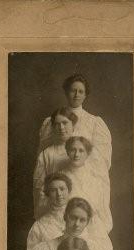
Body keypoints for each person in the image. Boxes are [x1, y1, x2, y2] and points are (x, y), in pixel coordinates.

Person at [38, 74, 112, 230]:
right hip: (57, 179)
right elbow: (44, 152)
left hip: (84, 179)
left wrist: (78, 164)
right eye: (73, 90)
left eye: (80, 91)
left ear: (85, 94)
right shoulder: (52, 122)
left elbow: (102, 159)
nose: (76, 95)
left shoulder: (94, 123)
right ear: (66, 92)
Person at [33, 107, 77, 217]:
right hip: (54, 207)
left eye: (65, 123)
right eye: (57, 124)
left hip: (77, 207)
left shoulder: (81, 150)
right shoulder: (46, 154)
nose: (61, 128)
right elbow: (39, 187)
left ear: (73, 125)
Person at [63, 136, 112, 233]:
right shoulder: (61, 179)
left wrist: (102, 231)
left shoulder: (96, 180)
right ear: (67, 152)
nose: (77, 154)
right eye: (73, 150)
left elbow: (103, 210)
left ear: (87, 154)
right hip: (69, 227)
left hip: (93, 228)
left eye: (81, 151)